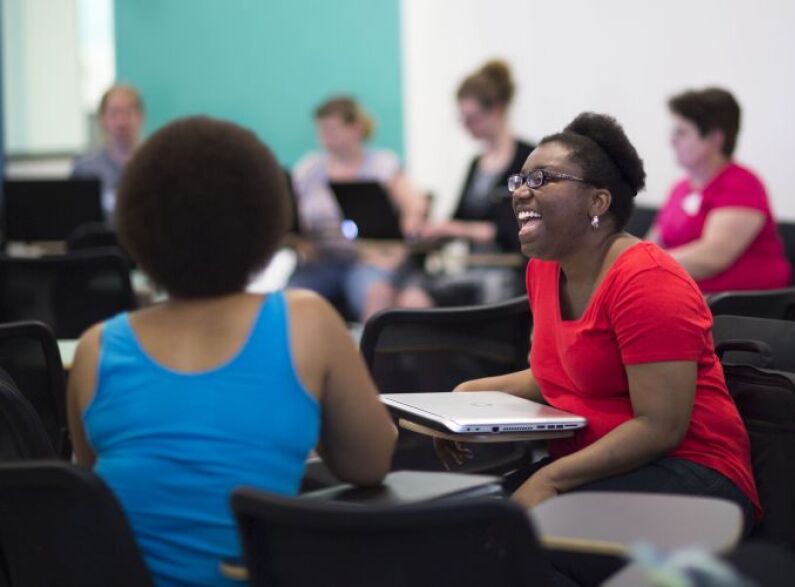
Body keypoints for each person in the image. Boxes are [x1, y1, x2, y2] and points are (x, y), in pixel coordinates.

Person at [66, 116, 397, 587]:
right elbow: (369, 464)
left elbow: (95, 498)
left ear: (136, 225)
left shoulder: (96, 349)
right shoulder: (305, 321)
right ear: (266, 217)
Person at [441, 112, 760, 586]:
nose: (521, 191)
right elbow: (553, 374)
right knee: (461, 530)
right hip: (601, 466)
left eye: (542, 179)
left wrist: (548, 479)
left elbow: (662, 426)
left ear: (598, 200)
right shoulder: (546, 268)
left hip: (691, 474)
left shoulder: (647, 280)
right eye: (520, 179)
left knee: (511, 547)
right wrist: (465, 396)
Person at [396, 60, 534, 308]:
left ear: (497, 110)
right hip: (474, 270)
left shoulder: (528, 159)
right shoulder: (476, 164)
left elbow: (513, 229)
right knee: (412, 296)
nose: (467, 127)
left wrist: (453, 228)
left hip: (510, 272)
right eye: (463, 119)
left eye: (473, 119)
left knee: (490, 299)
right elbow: (459, 217)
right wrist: (428, 228)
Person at [290, 96, 426, 321]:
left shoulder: (382, 164)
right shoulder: (310, 168)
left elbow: (414, 203)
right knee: (288, 299)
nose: (326, 139)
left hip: (370, 259)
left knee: (375, 293)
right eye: (322, 131)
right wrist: (299, 240)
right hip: (323, 260)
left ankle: (368, 354)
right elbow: (291, 210)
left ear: (356, 128)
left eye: (333, 130)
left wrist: (408, 227)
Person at [648, 87, 791, 293]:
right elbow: (653, 245)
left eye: (682, 132)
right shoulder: (680, 189)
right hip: (686, 301)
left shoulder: (742, 185)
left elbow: (712, 256)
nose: (672, 141)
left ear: (715, 139)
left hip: (740, 313)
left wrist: (646, 265)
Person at [71, 83, 145, 216]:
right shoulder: (85, 168)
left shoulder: (154, 165)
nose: (121, 122)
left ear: (140, 117)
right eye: (114, 113)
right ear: (102, 119)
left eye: (128, 112)